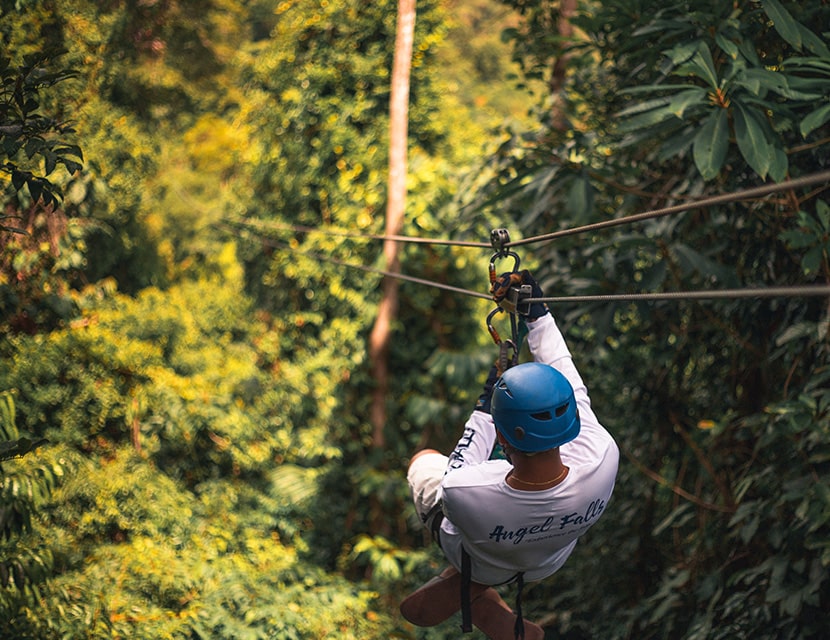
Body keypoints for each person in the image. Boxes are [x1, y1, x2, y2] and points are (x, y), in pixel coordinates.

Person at [401, 270, 620, 639]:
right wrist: (538, 314)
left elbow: (457, 469)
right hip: (547, 561)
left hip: (481, 558)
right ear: (571, 423)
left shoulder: (466, 491)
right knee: (489, 524)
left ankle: (475, 586)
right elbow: (570, 380)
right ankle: (482, 588)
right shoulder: (602, 455)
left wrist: (487, 401)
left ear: (502, 437)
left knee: (423, 461)